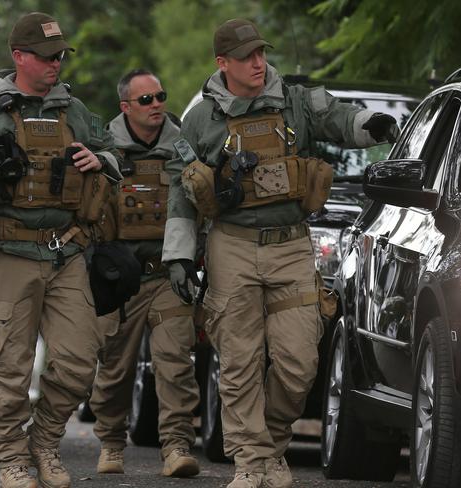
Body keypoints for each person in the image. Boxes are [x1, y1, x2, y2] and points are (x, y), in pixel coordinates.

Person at [162, 18, 401, 488]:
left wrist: (372, 125)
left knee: (299, 362)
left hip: (291, 245)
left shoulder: (296, 101)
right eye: (247, 56)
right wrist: (179, 256)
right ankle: (251, 462)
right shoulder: (200, 119)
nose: (258, 62)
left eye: (261, 53)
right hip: (230, 246)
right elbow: (181, 191)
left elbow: (340, 118)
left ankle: (269, 444)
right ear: (222, 63)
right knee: (238, 361)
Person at [0, 12, 122, 488]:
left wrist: (100, 159)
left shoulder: (74, 111)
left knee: (80, 362)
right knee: (11, 368)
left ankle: (44, 442)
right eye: (47, 57)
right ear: (19, 57)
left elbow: (115, 153)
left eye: (61, 56)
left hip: (67, 254)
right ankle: (12, 460)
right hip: (11, 254)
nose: (57, 64)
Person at [88, 69, 201, 478]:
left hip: (169, 275)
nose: (157, 105)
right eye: (146, 100)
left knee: (175, 362)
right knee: (114, 365)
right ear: (125, 107)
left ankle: (175, 446)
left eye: (161, 96)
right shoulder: (102, 149)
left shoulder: (185, 147)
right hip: (122, 279)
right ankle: (112, 443)